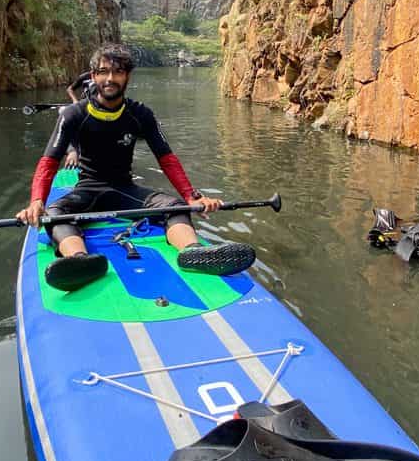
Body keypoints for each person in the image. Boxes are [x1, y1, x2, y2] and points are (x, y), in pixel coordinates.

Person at [17, 43, 255, 290]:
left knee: (175, 206)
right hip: (87, 191)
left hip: (124, 189)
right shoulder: (73, 115)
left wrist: (191, 196)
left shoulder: (140, 114)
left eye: (118, 72)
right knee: (55, 214)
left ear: (127, 76)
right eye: (103, 71)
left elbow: (167, 159)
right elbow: (49, 162)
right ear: (93, 76)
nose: (110, 78)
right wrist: (37, 201)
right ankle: (80, 261)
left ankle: (193, 253)